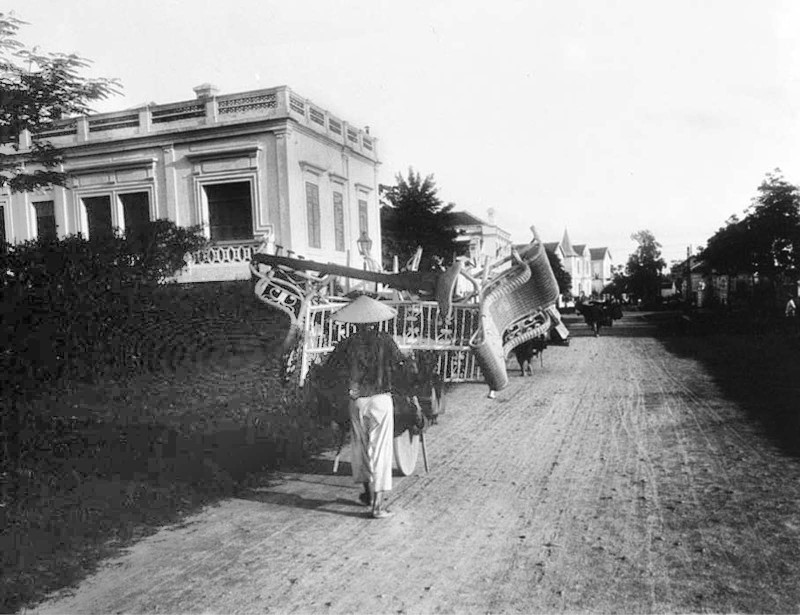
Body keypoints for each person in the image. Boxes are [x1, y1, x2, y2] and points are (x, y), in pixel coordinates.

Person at [332, 295, 406, 519]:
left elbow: (333, 368)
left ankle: (367, 494)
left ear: (355, 322)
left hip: (357, 401)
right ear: (376, 320)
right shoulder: (385, 340)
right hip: (381, 400)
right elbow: (400, 364)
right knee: (381, 451)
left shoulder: (348, 343)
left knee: (361, 449)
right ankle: (377, 507)